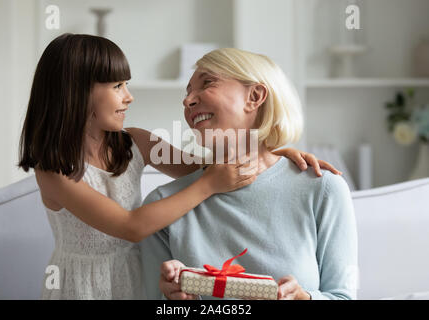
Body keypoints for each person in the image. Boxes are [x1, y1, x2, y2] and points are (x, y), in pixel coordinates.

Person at [18, 34, 340, 299]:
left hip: (134, 278)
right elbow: (132, 226)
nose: (129, 97)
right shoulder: (53, 172)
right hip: (81, 287)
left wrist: (274, 153)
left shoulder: (135, 142)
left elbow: (207, 168)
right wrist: (210, 184)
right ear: (75, 93)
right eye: (117, 86)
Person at [140, 48, 358, 300]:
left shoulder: (323, 189)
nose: (187, 100)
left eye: (207, 83)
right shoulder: (162, 206)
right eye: (187, 92)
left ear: (254, 96)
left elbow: (343, 296)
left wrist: (302, 298)